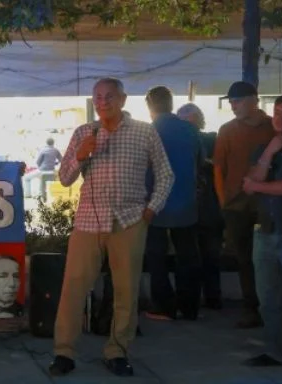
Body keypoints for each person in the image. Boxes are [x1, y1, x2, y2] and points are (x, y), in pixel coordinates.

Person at [48, 78, 173, 377]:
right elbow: (64, 178)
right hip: (88, 222)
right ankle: (64, 352)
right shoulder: (83, 133)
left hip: (129, 221)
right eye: (99, 97)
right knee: (73, 288)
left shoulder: (145, 132)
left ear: (123, 99)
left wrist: (151, 209)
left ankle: (117, 351)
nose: (104, 102)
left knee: (126, 290)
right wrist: (81, 155)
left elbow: (166, 175)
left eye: (110, 97)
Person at [241, 94, 282, 376]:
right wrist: (271, 151)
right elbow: (250, 179)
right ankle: (276, 352)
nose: (280, 117)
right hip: (265, 231)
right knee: (269, 298)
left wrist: (259, 186)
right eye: (276, 111)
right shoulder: (266, 147)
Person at [213, 81, 274, 328]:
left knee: (270, 259)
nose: (233, 106)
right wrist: (223, 201)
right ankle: (251, 309)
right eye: (231, 102)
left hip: (267, 203)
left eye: (237, 101)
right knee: (244, 259)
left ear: (253, 100)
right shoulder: (227, 130)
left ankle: (275, 309)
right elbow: (218, 167)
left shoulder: (273, 127)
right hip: (235, 206)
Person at [142, 86, 202, 321]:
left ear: (149, 106)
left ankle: (164, 306)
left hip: (154, 204)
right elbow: (200, 160)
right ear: (170, 102)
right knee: (188, 255)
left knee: (156, 256)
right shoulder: (190, 130)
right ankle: (190, 307)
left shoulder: (148, 132)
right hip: (186, 203)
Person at [177, 103, 225, 309]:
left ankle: (209, 300)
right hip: (190, 209)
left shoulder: (212, 139)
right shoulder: (180, 144)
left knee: (209, 258)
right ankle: (192, 302)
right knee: (191, 258)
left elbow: (220, 165)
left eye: (191, 121)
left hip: (208, 209)